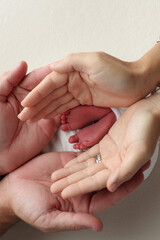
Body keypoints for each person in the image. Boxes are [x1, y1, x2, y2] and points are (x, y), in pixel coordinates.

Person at [0, 63, 146, 236]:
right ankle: (112, 117)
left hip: (53, 138)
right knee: (113, 159)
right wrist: (7, 201)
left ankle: (112, 116)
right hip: (86, 165)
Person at [17, 43, 160, 194]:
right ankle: (111, 115)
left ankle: (109, 113)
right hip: (131, 141)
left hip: (125, 130)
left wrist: (142, 75)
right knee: (126, 163)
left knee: (115, 158)